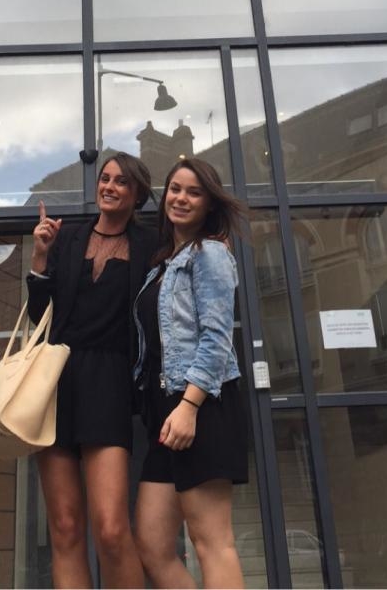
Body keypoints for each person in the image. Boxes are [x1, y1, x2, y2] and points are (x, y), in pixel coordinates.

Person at [27, 151, 157, 590]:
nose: (109, 187)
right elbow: (40, 314)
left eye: (121, 182)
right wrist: (40, 256)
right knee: (65, 527)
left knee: (112, 530)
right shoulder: (67, 238)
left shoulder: (150, 245)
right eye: (105, 178)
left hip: (110, 384)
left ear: (137, 194)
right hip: (57, 380)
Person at [133, 158, 248, 590]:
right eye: (175, 189)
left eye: (194, 192)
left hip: (201, 407)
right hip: (166, 413)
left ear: (209, 203)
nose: (180, 198)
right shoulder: (162, 265)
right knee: (153, 546)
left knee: (212, 542)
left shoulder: (210, 254)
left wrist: (189, 406)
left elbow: (217, 338)